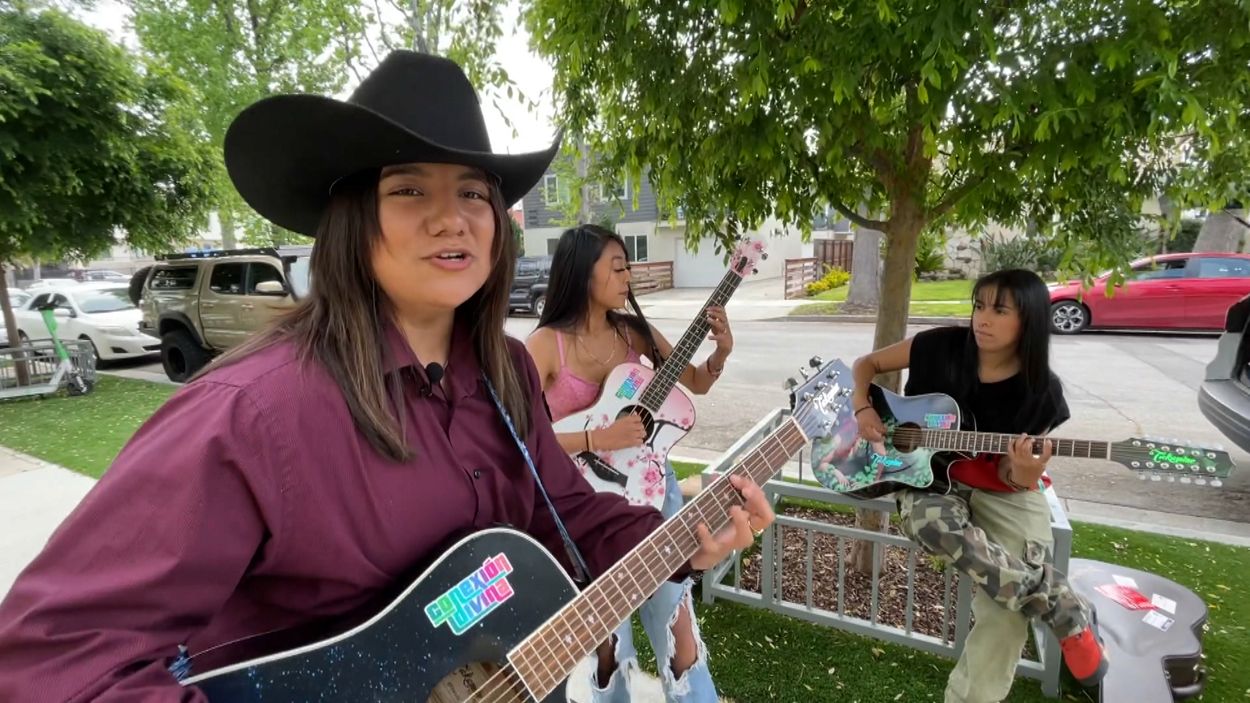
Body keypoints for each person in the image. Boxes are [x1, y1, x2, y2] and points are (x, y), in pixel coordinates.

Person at [0, 51, 774, 700]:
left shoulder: (505, 372)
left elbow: (566, 518)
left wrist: (683, 540)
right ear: (351, 218)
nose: (451, 216)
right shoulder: (254, 412)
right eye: (409, 189)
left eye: (473, 192)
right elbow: (53, 658)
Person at [848, 268, 1107, 703]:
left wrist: (1024, 473)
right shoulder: (938, 346)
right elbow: (865, 365)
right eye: (979, 306)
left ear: (1029, 321)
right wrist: (862, 406)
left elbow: (1010, 476)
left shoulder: (1042, 392)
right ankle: (1055, 602)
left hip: (1003, 490)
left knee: (1007, 614)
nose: (982, 319)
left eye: (999, 310)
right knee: (931, 524)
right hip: (928, 479)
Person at [525, 224, 733, 703]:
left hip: (656, 490)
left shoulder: (632, 332)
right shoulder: (545, 345)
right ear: (582, 273)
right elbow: (523, 438)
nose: (628, 276)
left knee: (677, 619)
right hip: (587, 503)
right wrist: (598, 437)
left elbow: (696, 382)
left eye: (628, 267)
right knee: (609, 641)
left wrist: (721, 351)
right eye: (617, 267)